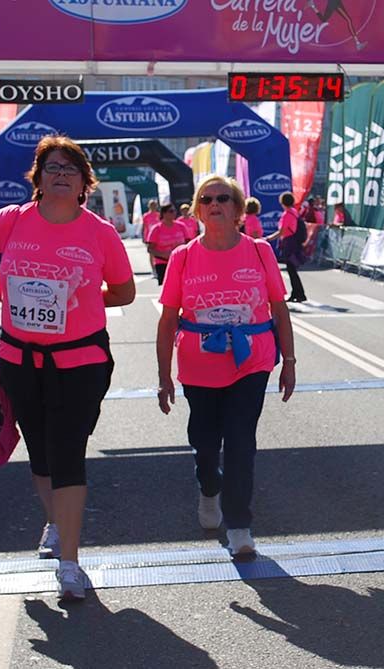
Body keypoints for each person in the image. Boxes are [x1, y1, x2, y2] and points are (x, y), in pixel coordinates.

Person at [0, 135, 136, 601]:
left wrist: (79, 298)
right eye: (52, 167)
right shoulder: (13, 221)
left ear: (84, 183)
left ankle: (71, 564)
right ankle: (57, 522)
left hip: (79, 361)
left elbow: (124, 292)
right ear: (38, 178)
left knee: (68, 452)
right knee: (40, 453)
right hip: (19, 358)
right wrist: (4, 290)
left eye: (70, 169)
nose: (61, 174)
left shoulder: (99, 232)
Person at [155, 175, 296, 557]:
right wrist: (163, 375)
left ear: (237, 209)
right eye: (207, 199)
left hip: (251, 362)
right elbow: (168, 319)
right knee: (204, 443)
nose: (214, 203)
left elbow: (279, 308)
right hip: (199, 365)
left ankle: (239, 526)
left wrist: (290, 362)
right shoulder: (183, 257)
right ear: (198, 210)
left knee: (240, 443)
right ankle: (208, 488)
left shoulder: (259, 252)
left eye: (223, 198)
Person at [266, 191, 307, 303]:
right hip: (294, 243)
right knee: (292, 269)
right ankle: (297, 292)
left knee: (291, 269)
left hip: (290, 244)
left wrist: (269, 238)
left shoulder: (287, 214)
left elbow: (282, 231)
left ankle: (299, 293)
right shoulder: (294, 212)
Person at [146, 203, 188, 286]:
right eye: (171, 211)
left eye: (174, 211)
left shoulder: (181, 226)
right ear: (164, 213)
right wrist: (164, 254)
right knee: (168, 288)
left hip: (181, 262)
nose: (174, 213)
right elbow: (150, 249)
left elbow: (189, 242)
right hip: (163, 263)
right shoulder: (156, 229)